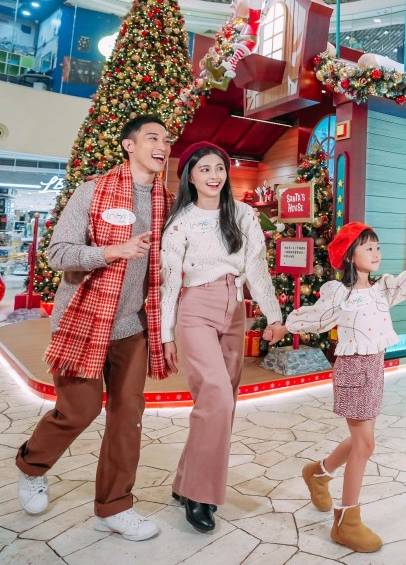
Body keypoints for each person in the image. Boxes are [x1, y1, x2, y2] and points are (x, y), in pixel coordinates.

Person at [15, 114, 172, 542]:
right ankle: (32, 466)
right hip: (83, 322)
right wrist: (111, 251)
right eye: (153, 137)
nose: (162, 145)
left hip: (133, 327)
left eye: (166, 139)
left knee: (128, 417)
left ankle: (114, 507)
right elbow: (58, 253)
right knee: (78, 410)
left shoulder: (166, 201)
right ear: (129, 145)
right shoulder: (92, 191)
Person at [285, 222, 406, 552]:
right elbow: (314, 318)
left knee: (360, 440)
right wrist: (283, 327)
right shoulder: (340, 294)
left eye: (377, 247)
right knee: (365, 444)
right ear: (350, 256)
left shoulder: (382, 289)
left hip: (374, 369)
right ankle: (346, 523)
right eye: (368, 247)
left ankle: (318, 474)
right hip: (352, 370)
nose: (376, 253)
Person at [159, 142, 288, 533]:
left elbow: (257, 270)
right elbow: (169, 281)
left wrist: (274, 315)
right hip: (195, 308)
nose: (214, 176)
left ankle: (184, 481)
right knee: (215, 394)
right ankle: (199, 494)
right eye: (204, 169)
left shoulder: (243, 214)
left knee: (222, 404)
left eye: (219, 168)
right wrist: (166, 334)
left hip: (235, 310)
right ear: (190, 177)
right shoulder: (180, 221)